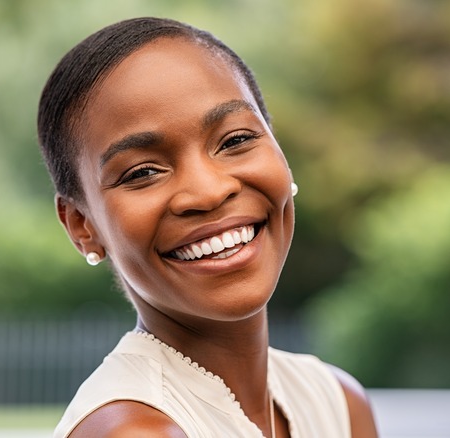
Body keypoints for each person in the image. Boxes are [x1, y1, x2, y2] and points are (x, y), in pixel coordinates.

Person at [37, 17, 378, 438]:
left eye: (235, 140)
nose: (208, 192)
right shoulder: (135, 431)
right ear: (82, 226)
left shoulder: (337, 403)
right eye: (143, 171)